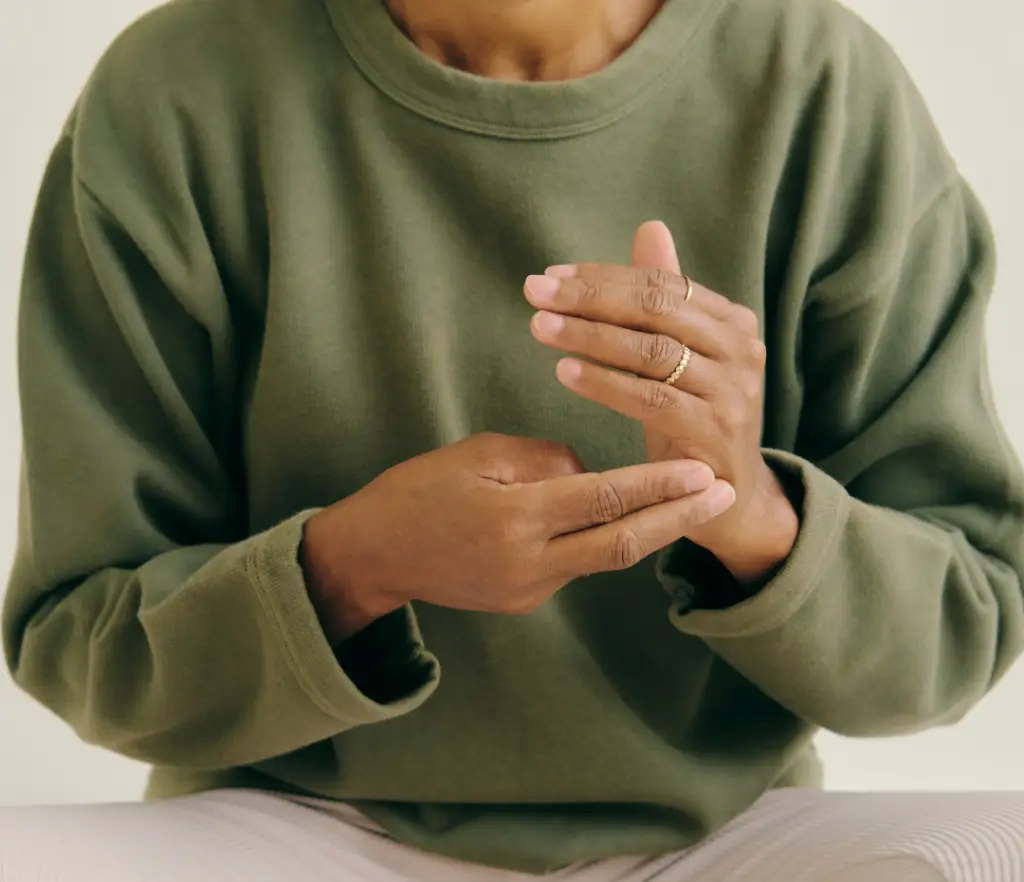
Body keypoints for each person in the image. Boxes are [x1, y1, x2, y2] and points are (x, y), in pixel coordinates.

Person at [3, 0, 1024, 878]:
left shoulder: (823, 89)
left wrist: (749, 509)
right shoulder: (176, 93)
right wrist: (353, 567)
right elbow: (77, 635)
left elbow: (962, 625)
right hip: (287, 829)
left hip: (717, 838)